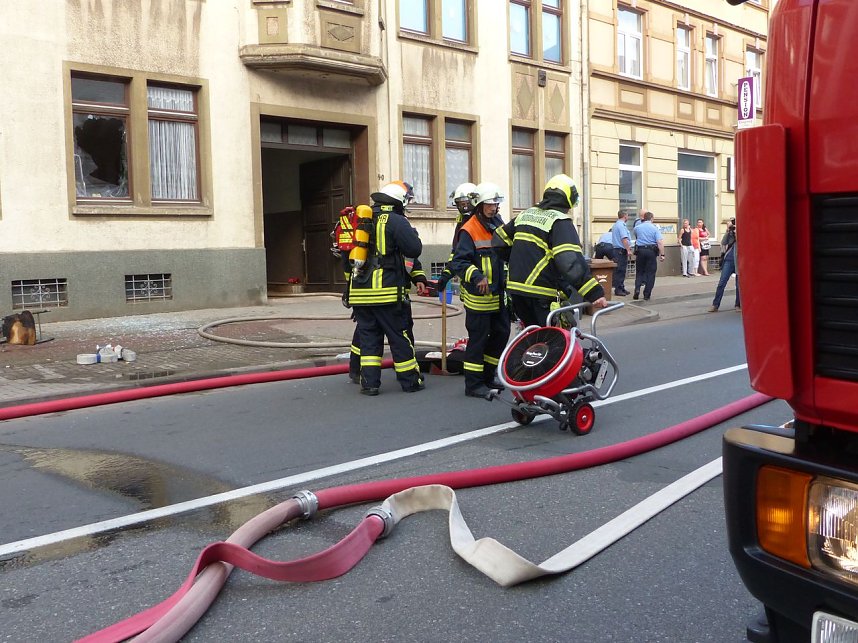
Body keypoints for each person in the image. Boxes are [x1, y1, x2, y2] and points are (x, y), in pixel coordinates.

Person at [493, 174, 608, 327]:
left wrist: (518, 259)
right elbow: (570, 262)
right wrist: (594, 293)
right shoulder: (560, 221)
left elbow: (498, 241)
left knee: (532, 339)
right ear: (568, 199)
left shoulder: (525, 215)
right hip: (542, 294)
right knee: (553, 342)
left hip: (517, 292)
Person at [348, 180, 425, 395]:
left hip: (360, 293)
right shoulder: (396, 221)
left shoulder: (362, 219)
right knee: (399, 337)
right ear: (398, 202)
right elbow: (414, 249)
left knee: (370, 340)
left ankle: (370, 384)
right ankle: (410, 382)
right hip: (387, 293)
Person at [449, 182, 510, 400]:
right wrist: (477, 276)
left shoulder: (497, 222)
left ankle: (487, 376)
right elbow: (459, 262)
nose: (495, 208)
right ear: (479, 205)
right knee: (478, 340)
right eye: (491, 204)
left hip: (498, 295)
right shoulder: (469, 229)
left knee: (501, 334)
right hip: (480, 298)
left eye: (496, 204)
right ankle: (473, 384)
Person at [435, 182, 478, 293]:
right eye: (460, 204)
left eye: (466, 203)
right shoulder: (462, 222)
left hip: (482, 280)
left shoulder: (482, 222)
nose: (463, 207)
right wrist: (447, 273)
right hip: (468, 281)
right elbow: (457, 252)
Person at [632, 211, 665, 301]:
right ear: (651, 218)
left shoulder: (637, 228)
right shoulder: (655, 228)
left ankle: (637, 289)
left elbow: (637, 237)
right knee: (650, 273)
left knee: (639, 272)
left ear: (643, 218)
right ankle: (647, 294)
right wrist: (662, 254)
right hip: (651, 251)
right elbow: (659, 242)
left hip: (640, 251)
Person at [709, 218, 740, 312]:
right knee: (721, 283)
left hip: (739, 261)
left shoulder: (744, 231)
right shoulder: (730, 232)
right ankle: (715, 305)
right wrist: (729, 231)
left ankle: (738, 305)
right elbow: (724, 242)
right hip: (729, 260)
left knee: (739, 285)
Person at [611, 210, 632, 296]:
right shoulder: (621, 226)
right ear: (625, 216)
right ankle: (619, 289)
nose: (628, 217)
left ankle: (621, 287)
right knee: (620, 271)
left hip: (616, 250)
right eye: (627, 215)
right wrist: (628, 250)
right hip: (620, 251)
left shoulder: (616, 225)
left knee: (620, 270)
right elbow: (624, 239)